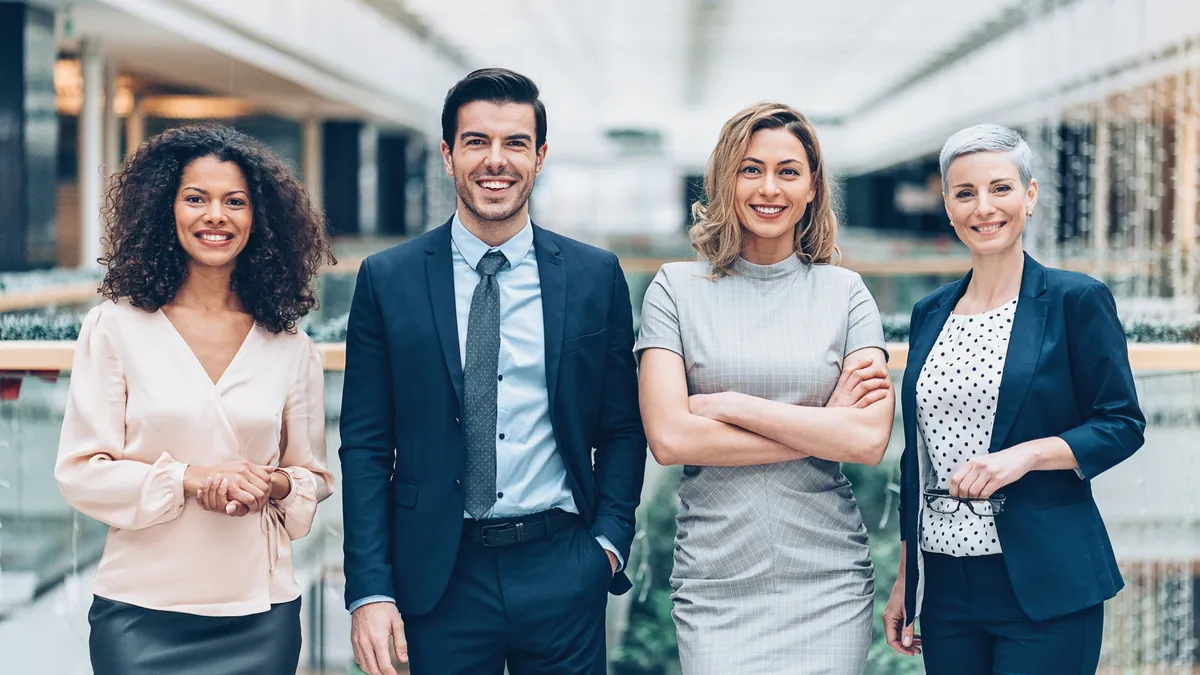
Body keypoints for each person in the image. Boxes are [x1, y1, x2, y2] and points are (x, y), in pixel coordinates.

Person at [340, 68, 646, 675]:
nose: (495, 161)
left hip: (562, 563)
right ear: (449, 156)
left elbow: (622, 427)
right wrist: (370, 589)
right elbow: (367, 447)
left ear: (540, 156)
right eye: (477, 142)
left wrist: (607, 545)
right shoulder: (387, 278)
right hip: (437, 573)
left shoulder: (594, 276)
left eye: (515, 143)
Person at [55, 124, 336, 675]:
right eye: (196, 199)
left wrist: (269, 483)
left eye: (235, 201)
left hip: (260, 610)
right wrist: (191, 477)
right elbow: (81, 472)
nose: (216, 216)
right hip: (140, 611)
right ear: (167, 210)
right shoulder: (113, 328)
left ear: (260, 219)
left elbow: (313, 476)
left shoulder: (290, 344)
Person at [636, 102, 896, 674]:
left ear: (812, 188)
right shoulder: (674, 290)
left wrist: (731, 406)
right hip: (715, 580)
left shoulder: (847, 293)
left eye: (788, 171)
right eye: (751, 169)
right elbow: (671, 439)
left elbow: (868, 440)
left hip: (828, 578)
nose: (768, 188)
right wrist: (823, 426)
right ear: (725, 180)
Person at [881, 123, 1146, 674]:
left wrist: (1025, 455)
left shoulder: (1077, 299)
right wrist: (910, 575)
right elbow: (919, 457)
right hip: (946, 584)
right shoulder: (929, 313)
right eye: (965, 193)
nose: (984, 207)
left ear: (1029, 196)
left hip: (1045, 580)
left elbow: (1121, 422)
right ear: (950, 209)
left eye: (1000, 188)